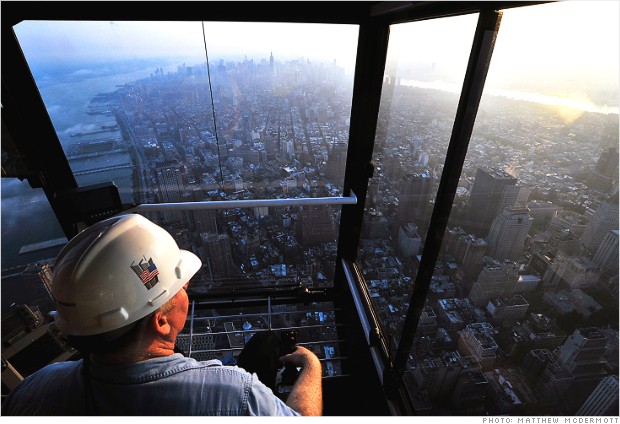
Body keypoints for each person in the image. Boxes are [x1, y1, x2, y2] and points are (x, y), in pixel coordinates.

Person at [1, 213, 322, 416]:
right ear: (161, 321)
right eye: (178, 287)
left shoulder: (33, 393)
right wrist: (311, 366)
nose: (186, 290)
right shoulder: (236, 397)